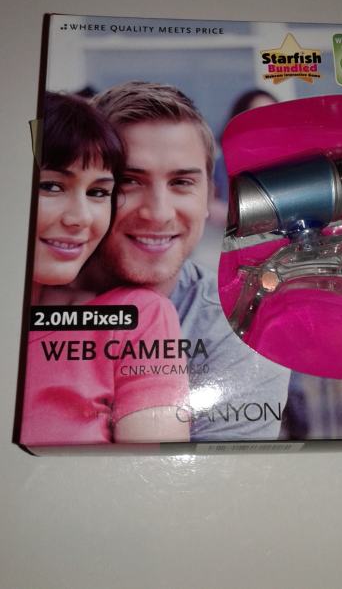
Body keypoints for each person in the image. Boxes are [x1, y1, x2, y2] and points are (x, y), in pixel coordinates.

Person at [81, 81, 290, 441]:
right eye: (129, 181)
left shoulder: (242, 331)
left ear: (210, 196)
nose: (159, 213)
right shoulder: (32, 298)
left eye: (181, 182)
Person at [20, 92, 189, 446]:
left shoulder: (137, 317)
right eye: (51, 186)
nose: (80, 218)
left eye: (98, 192)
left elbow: (153, 472)